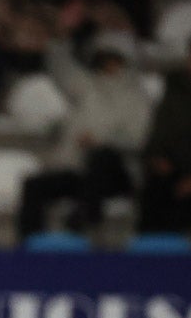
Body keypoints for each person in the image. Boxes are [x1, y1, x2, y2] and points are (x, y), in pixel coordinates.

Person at [15, 29, 151, 240]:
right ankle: (31, 249)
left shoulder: (138, 99)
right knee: (33, 186)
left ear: (126, 61)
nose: (109, 65)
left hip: (117, 174)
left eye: (114, 59)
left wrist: (100, 142)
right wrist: (59, 38)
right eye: (104, 59)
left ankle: (79, 229)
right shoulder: (87, 88)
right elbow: (61, 70)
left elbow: (139, 139)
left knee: (101, 158)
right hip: (80, 170)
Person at [137, 37, 191, 234]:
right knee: (155, 192)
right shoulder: (173, 92)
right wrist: (155, 158)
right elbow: (158, 134)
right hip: (169, 171)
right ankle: (147, 256)